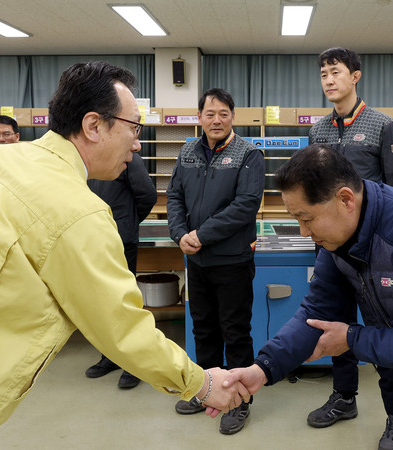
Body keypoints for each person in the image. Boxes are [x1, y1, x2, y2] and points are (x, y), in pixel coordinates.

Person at [0, 61, 249, 425]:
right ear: (93, 126)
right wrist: (200, 383)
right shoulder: (79, 212)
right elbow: (123, 327)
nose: (137, 143)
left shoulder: (9, 158)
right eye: (133, 127)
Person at [224, 144, 393, 450]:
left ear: (345, 199)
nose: (303, 232)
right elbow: (315, 312)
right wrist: (262, 369)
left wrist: (351, 338)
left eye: (307, 218)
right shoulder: (339, 239)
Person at [308, 47, 393, 449]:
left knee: (383, 334)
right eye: (323, 74)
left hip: (373, 254)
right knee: (334, 326)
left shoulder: (382, 126)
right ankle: (344, 398)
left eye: (335, 72)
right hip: (331, 252)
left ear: (355, 76)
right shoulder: (318, 131)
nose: (329, 80)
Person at [166, 88, 265, 435]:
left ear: (232, 117)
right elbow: (174, 196)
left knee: (235, 332)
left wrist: (201, 235)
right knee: (203, 329)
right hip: (197, 262)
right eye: (210, 114)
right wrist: (180, 234)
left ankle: (240, 401)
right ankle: (206, 390)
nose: (217, 120)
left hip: (232, 261)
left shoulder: (249, 154)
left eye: (224, 113)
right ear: (200, 118)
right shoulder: (187, 152)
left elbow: (245, 205)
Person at [85, 152, 157, 389]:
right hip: (94, 239)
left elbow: (147, 195)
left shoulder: (128, 156)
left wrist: (129, 221)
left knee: (126, 301)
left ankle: (134, 364)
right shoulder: (87, 156)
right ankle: (111, 357)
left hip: (121, 239)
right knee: (102, 302)